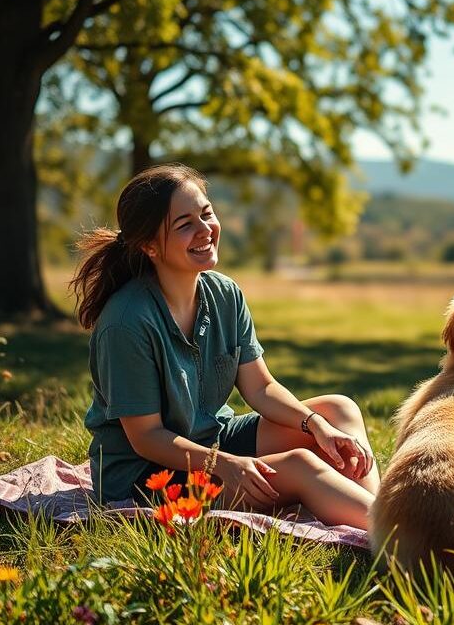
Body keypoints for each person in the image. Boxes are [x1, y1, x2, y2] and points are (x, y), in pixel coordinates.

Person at [70, 164, 378, 529]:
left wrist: (315, 425)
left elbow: (261, 388)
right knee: (301, 467)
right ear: (149, 246)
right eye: (184, 225)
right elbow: (147, 438)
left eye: (206, 213)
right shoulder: (126, 323)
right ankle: (408, 536)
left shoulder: (225, 294)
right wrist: (225, 465)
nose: (205, 230)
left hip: (214, 440)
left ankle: (378, 511)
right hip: (146, 477)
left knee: (337, 412)